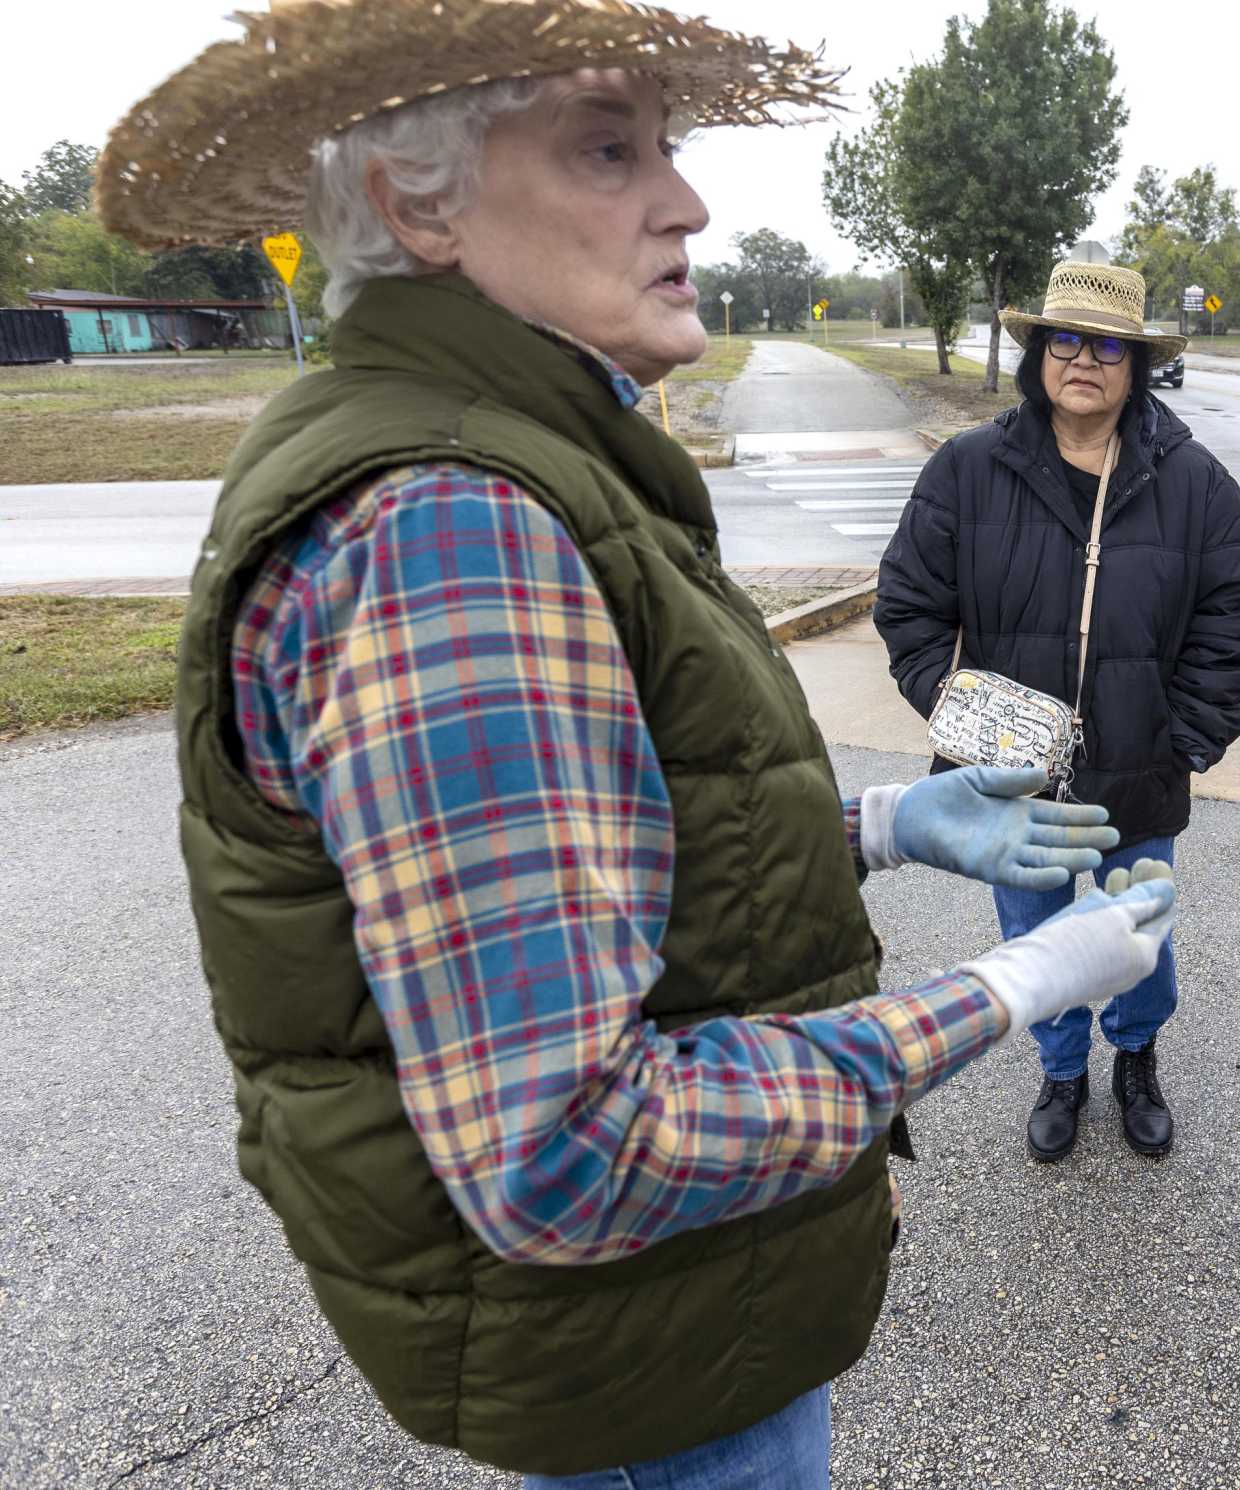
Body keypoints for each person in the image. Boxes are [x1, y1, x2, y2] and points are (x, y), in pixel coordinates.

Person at [96, 4, 1178, 1484]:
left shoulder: (512, 451)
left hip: (663, 1329)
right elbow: (566, 1145)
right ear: (422, 201)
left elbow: (586, 838)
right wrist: (1013, 983)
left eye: (664, 143)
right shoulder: (451, 524)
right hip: (646, 1371)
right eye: (610, 147)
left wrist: (883, 827)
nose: (688, 198)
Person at [874, 261, 1240, 1163]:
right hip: (1011, 783)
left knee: (1139, 933)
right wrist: (963, 713)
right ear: (1037, 352)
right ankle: (1062, 1068)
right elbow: (908, 605)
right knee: (1034, 934)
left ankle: (1136, 1054)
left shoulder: (1195, 482)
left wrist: (1187, 735)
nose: (1083, 359)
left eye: (1107, 344)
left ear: (1134, 364)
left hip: (1141, 767)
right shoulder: (969, 469)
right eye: (1066, 338)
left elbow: (1235, 616)